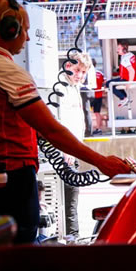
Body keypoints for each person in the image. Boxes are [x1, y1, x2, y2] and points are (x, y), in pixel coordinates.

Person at [0, 0, 131, 244]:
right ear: (9, 30)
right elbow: (50, 129)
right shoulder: (8, 71)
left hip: (7, 174)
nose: (27, 38)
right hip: (12, 176)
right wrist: (101, 162)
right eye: (25, 30)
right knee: (18, 251)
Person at [57, 52, 93, 240]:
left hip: (72, 150)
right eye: (78, 70)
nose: (80, 75)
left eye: (83, 72)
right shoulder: (60, 87)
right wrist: (65, 149)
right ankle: (72, 237)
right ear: (69, 65)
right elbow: (59, 121)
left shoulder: (74, 87)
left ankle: (73, 236)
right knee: (69, 197)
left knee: (72, 197)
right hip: (64, 152)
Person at [106, 42, 136, 107]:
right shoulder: (130, 55)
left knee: (108, 84)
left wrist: (129, 82)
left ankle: (123, 98)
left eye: (119, 49)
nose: (117, 50)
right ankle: (125, 98)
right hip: (130, 78)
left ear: (124, 49)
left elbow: (131, 71)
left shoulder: (125, 58)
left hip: (126, 79)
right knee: (115, 83)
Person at [90, 58, 105, 135]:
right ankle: (98, 129)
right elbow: (104, 83)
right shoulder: (100, 73)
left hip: (90, 95)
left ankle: (89, 128)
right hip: (99, 95)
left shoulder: (88, 73)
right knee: (97, 113)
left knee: (88, 112)